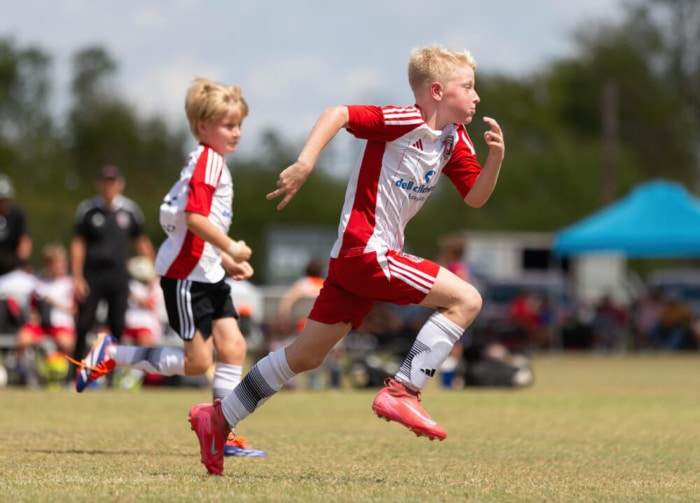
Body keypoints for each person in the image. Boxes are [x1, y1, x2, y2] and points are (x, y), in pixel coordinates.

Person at [189, 43, 505, 475]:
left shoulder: (453, 138)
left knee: (305, 356)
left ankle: (218, 418)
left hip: (351, 261)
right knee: (466, 299)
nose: (476, 96)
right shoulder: (403, 120)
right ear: (436, 91)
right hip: (368, 252)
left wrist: (496, 160)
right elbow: (337, 113)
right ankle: (403, 391)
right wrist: (304, 164)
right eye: (468, 86)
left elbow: (475, 197)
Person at [74, 77, 266, 457]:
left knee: (233, 347)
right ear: (202, 127)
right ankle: (112, 353)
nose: (237, 132)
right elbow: (194, 217)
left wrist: (224, 259)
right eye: (228, 125)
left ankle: (221, 434)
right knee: (198, 364)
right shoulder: (208, 162)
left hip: (207, 272)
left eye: (239, 124)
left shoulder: (207, 160)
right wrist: (231, 247)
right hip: (186, 278)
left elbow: (183, 221)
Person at [69, 165, 156, 380]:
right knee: (83, 323)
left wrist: (154, 268)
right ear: (99, 184)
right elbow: (78, 244)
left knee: (117, 324)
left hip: (119, 276)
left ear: (120, 184)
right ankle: (74, 373)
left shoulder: (130, 210)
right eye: (105, 182)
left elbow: (141, 241)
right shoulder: (88, 210)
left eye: (113, 182)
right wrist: (77, 276)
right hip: (93, 275)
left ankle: (110, 375)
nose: (109, 186)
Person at [15, 244, 75, 387]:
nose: (60, 267)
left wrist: (54, 303)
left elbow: (74, 310)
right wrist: (34, 315)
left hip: (61, 323)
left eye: (62, 263)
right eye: (56, 263)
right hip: (41, 324)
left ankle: (64, 377)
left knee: (66, 343)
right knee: (22, 340)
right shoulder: (38, 282)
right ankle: (30, 375)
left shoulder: (69, 283)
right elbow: (33, 307)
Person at [0, 174, 32, 275]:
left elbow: (24, 241)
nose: (5, 203)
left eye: (6, 199)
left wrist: (21, 262)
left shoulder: (16, 215)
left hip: (11, 269)